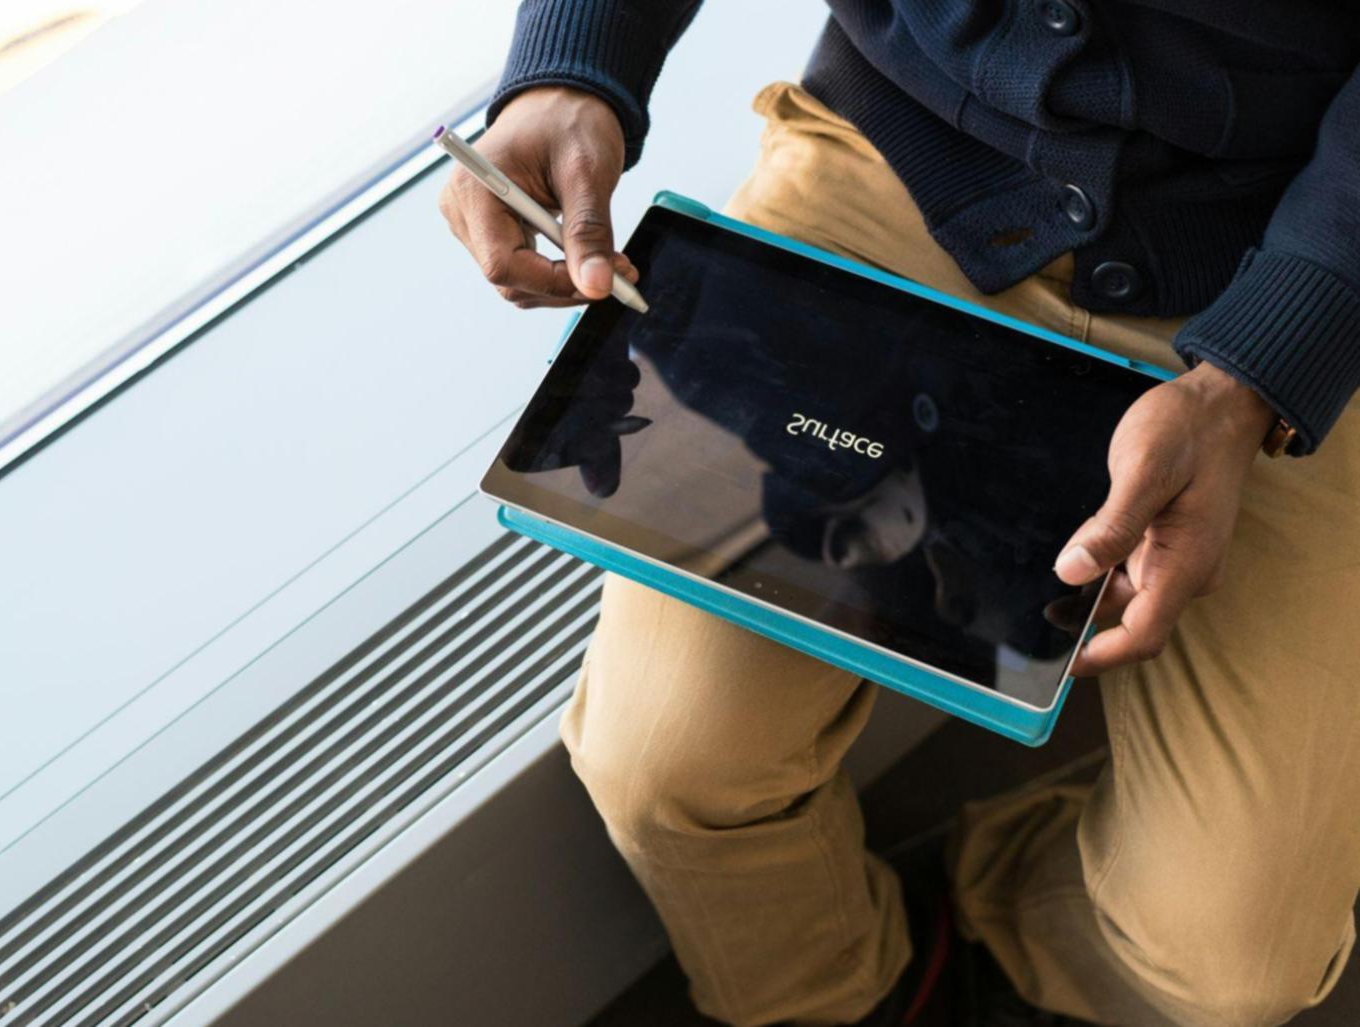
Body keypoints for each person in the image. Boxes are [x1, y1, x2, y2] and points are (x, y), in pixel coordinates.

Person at [438, 3, 1360, 1025]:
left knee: (1235, 966)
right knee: (662, 763)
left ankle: (998, 908)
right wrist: (574, 63)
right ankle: (857, 997)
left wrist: (1262, 373)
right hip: (901, 155)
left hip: (1296, 243)